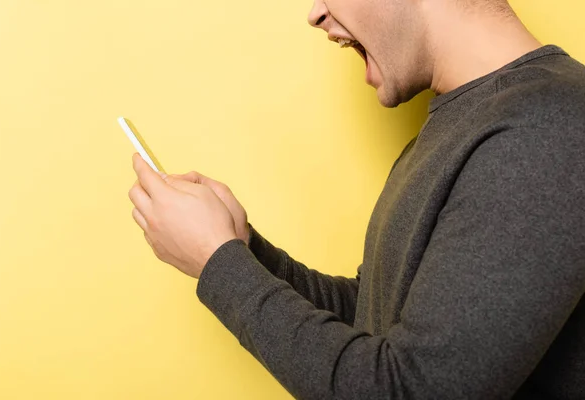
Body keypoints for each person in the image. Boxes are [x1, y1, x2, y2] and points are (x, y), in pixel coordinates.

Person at [127, 0, 585, 398]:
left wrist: (218, 262)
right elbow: (377, 316)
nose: (315, 13)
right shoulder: (467, 123)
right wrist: (243, 249)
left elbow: (411, 388)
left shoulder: (549, 127)